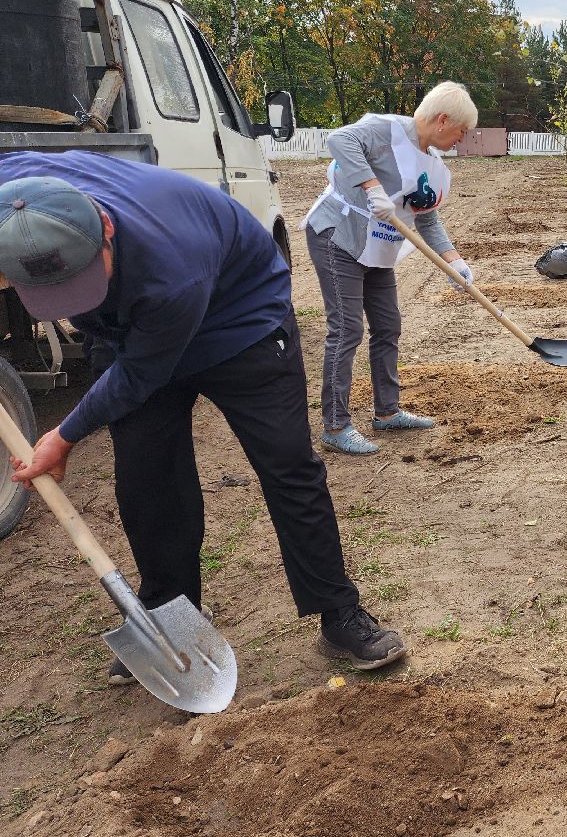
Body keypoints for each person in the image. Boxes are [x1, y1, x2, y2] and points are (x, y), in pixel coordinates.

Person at [0, 151, 407, 679]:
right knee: (149, 479)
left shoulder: (171, 266)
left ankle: (339, 615)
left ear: (104, 227)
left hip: (239, 324)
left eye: (80, 281)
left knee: (289, 468)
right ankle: (172, 615)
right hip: (129, 330)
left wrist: (65, 434)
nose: (67, 302)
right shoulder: (15, 190)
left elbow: (140, 376)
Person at [304, 81, 476, 456]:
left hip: (378, 247)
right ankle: (335, 425)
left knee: (388, 325)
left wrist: (453, 261)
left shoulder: (431, 161)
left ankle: (387, 411)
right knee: (347, 329)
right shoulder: (387, 130)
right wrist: (371, 187)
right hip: (340, 236)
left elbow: (426, 218)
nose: (462, 140)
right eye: (462, 131)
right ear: (443, 120)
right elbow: (339, 140)